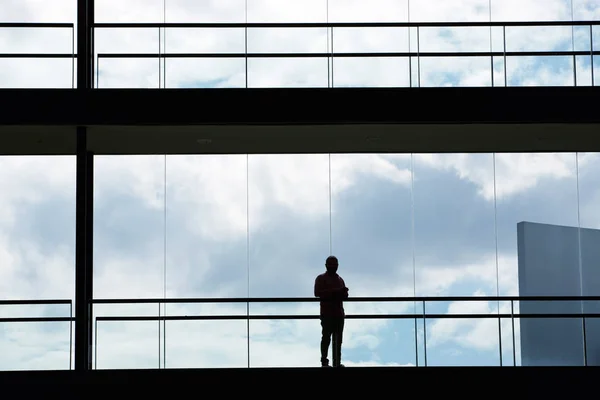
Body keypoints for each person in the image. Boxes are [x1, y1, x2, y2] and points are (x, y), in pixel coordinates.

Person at [314, 255, 348, 368]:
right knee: (326, 337)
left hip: (338, 313)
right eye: (331, 264)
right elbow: (317, 293)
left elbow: (344, 297)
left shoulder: (340, 279)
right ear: (326, 266)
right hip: (327, 313)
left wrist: (344, 293)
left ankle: (336, 361)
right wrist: (337, 291)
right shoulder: (321, 278)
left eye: (335, 265)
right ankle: (324, 361)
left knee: (338, 339)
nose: (333, 267)